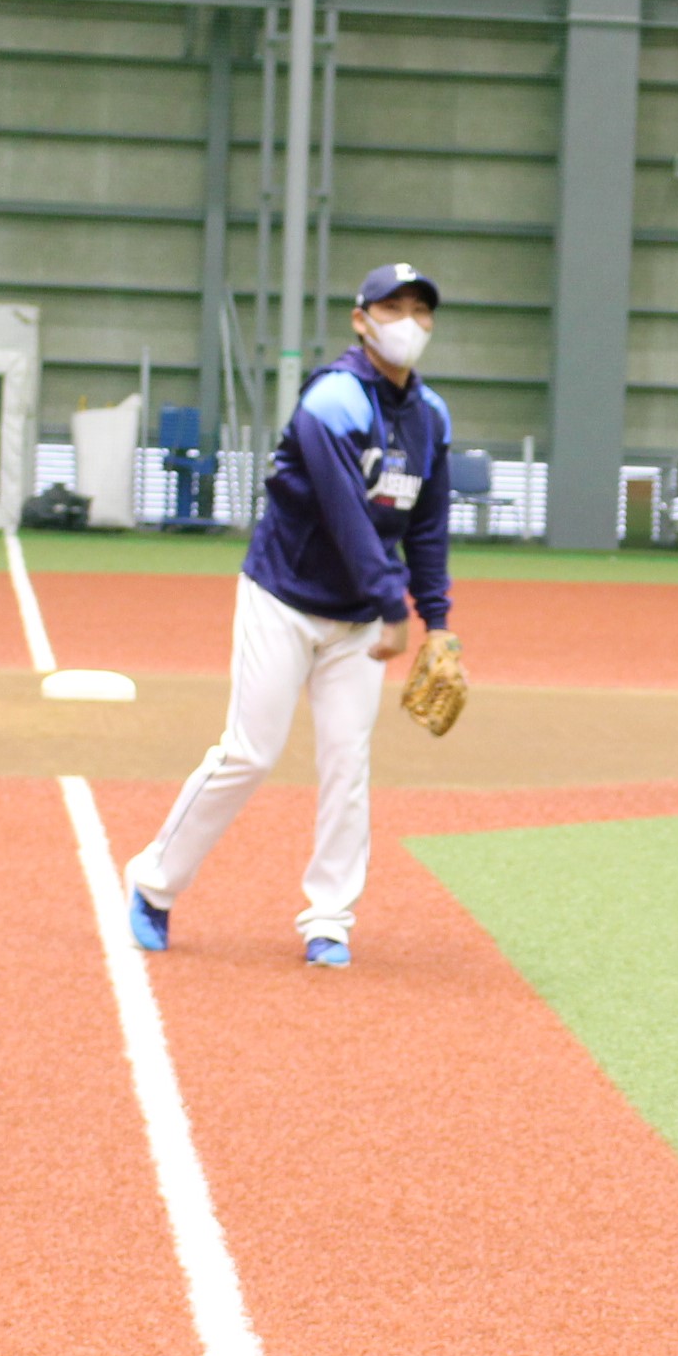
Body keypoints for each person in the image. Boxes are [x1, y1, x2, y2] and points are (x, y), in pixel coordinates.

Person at [124, 262, 458, 967]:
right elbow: (343, 513)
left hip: (361, 617)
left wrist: (439, 619)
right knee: (249, 752)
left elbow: (426, 525)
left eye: (421, 309)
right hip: (284, 597)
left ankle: (329, 919)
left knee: (348, 762)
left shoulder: (430, 417)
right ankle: (153, 885)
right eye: (392, 307)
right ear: (359, 319)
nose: (408, 322)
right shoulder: (332, 399)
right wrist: (391, 604)